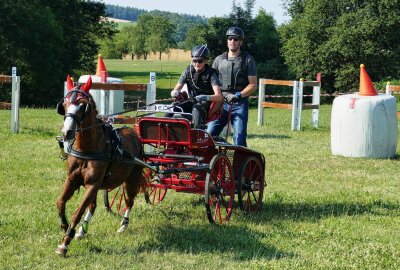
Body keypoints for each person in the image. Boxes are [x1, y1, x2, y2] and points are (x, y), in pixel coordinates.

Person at [206, 26, 257, 147]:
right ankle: (211, 162)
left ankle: (239, 164)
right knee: (208, 134)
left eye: (235, 39)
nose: (232, 41)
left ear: (240, 41)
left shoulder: (248, 60)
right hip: (220, 103)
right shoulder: (218, 60)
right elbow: (211, 83)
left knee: (239, 137)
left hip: (239, 103)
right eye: (230, 38)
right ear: (227, 40)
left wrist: (238, 95)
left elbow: (253, 84)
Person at [168, 44, 222, 129]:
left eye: (200, 61)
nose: (197, 64)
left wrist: (205, 97)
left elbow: (219, 97)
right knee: (171, 107)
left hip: (205, 104)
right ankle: (163, 132)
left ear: (206, 61)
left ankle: (197, 134)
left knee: (196, 109)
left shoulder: (211, 74)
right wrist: (174, 93)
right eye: (194, 61)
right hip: (191, 101)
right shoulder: (187, 71)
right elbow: (175, 90)